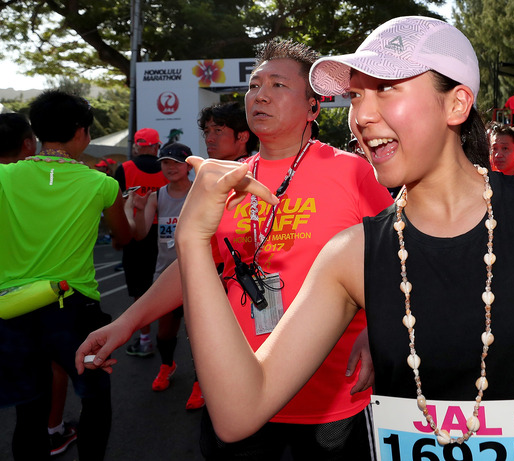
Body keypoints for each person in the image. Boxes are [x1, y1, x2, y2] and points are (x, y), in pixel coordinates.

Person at [157, 15, 514, 460]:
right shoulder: (351, 256)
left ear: (456, 103)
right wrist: (194, 241)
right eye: (357, 96)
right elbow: (238, 412)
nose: (361, 115)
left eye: (385, 89)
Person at [77, 38, 393, 460]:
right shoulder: (218, 183)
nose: (259, 94)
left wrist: (381, 328)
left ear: (313, 107)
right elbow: (194, 265)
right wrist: (126, 323)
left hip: (331, 396)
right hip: (232, 387)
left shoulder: (353, 172)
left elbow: (393, 258)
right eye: (254, 85)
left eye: (278, 85)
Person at [0, 90, 131, 460]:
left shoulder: (4, 177)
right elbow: (124, 237)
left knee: (29, 412)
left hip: (14, 310)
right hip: (74, 310)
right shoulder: (101, 185)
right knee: (95, 399)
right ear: (80, 132)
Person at [0, 111, 78, 456]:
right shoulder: (39, 180)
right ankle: (54, 430)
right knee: (35, 397)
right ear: (28, 144)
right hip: (26, 302)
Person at [125, 142, 204, 409]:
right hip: (166, 275)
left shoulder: (200, 192)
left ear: (188, 166)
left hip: (197, 275)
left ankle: (201, 381)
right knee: (165, 333)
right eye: (165, 163)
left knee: (199, 334)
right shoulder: (157, 196)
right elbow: (140, 234)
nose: (170, 168)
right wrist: (134, 209)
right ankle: (168, 366)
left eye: (175, 162)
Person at [114, 127, 169, 357]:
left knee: (139, 289)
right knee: (167, 286)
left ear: (137, 146)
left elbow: (116, 204)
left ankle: (145, 339)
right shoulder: (168, 167)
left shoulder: (124, 169)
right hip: (165, 233)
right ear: (156, 146)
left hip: (136, 231)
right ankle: (166, 336)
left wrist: (119, 235)